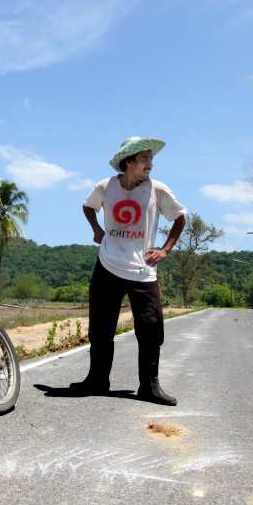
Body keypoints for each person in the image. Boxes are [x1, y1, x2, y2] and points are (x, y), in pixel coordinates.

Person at [69, 136, 187, 405]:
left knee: (150, 329)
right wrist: (97, 230)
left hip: (143, 270)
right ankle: (97, 380)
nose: (150, 164)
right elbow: (88, 206)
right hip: (108, 266)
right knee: (100, 328)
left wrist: (165, 249)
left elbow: (180, 217)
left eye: (150, 159)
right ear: (129, 162)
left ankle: (149, 386)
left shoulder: (158, 190)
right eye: (145, 159)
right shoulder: (106, 186)